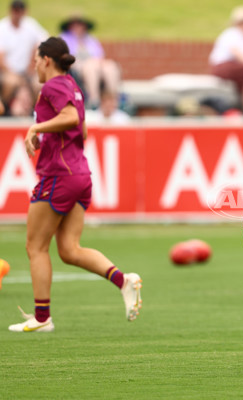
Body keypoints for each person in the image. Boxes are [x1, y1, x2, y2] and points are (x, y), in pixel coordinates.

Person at [8, 37, 142, 333]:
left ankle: (42, 318)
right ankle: (124, 280)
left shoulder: (53, 86)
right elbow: (80, 127)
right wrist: (52, 139)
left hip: (59, 175)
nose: (34, 66)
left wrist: (36, 128)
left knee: (36, 246)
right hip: (80, 174)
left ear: (46, 60)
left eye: (35, 60)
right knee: (69, 249)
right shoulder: (73, 86)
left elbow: (69, 119)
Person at [59, 15, 121, 109]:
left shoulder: (91, 40)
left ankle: (114, 100)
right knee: (90, 67)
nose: (78, 27)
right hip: (76, 68)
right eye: (75, 25)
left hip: (96, 66)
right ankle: (94, 100)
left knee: (110, 66)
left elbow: (100, 56)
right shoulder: (64, 38)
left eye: (80, 25)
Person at [0, 0, 48, 116]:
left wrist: (32, 64)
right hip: (8, 71)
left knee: (40, 84)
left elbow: (42, 44)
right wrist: (14, 73)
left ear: (24, 11)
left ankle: (38, 111)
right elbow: (1, 58)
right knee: (11, 82)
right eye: (15, 10)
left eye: (20, 10)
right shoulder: (3, 27)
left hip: (28, 71)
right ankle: (6, 109)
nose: (18, 13)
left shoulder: (31, 25)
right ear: (11, 11)